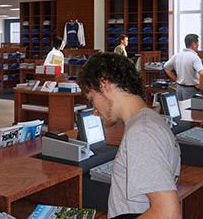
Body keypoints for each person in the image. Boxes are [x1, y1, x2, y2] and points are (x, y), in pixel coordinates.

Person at [77, 52, 181, 219]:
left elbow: (168, 213)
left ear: (104, 85)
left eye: (92, 98)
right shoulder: (149, 121)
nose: (94, 111)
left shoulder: (142, 133)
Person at [163, 34, 203, 101]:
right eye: (197, 43)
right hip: (191, 90)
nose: (198, 45)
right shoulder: (194, 57)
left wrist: (176, 79)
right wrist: (200, 85)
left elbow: (165, 67)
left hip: (179, 89)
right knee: (191, 110)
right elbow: (202, 73)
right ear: (193, 44)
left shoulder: (177, 55)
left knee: (181, 109)